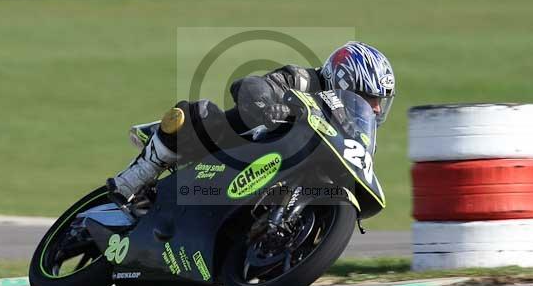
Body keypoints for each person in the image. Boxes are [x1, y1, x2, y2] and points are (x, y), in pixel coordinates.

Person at [106, 41, 396, 208]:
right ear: (343, 80)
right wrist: (268, 105)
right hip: (236, 148)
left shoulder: (357, 135)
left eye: (381, 101)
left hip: (277, 179)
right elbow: (250, 85)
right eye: (370, 98)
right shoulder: (304, 79)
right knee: (200, 112)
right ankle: (134, 177)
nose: (376, 108)